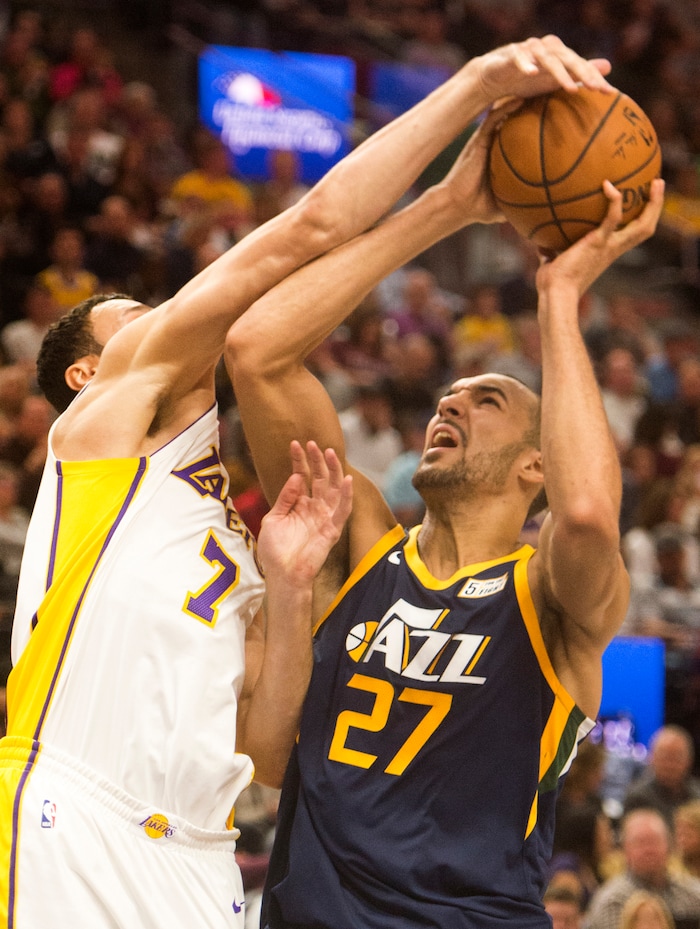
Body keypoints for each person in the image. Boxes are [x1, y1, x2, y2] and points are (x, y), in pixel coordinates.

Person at [1, 38, 557, 927]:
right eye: (140, 319)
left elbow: (263, 750)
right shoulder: (99, 440)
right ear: (87, 374)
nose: (169, 321)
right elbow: (313, 227)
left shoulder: (236, 534)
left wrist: (292, 589)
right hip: (74, 809)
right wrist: (472, 97)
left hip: (200, 861)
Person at [226, 44, 665, 929]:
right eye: (447, 397)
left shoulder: (550, 594)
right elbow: (256, 350)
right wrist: (446, 207)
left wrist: (559, 297)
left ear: (536, 465)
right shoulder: (356, 541)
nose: (450, 404)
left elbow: (586, 512)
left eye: (486, 399)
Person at [584, 808, 700, 929]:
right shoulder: (613, 901)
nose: (648, 850)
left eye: (654, 841)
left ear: (669, 846)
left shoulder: (693, 895)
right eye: (640, 843)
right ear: (624, 849)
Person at [624, 725, 700, 829]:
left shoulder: (697, 796)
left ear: (689, 760)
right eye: (665, 757)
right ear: (652, 758)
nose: (670, 765)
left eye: (676, 757)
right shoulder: (638, 798)